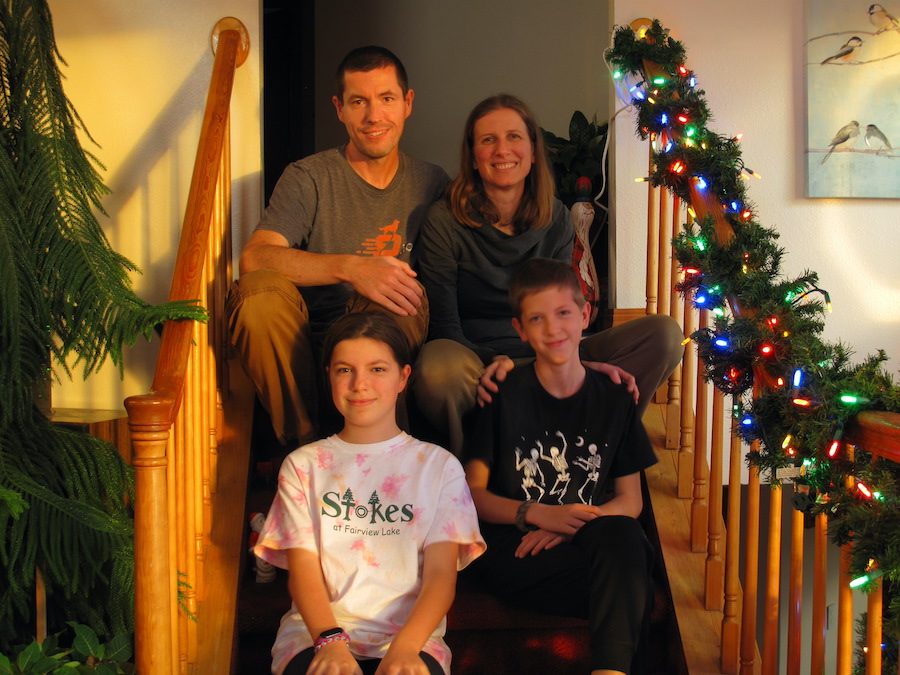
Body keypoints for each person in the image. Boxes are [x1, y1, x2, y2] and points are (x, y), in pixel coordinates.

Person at [411, 94, 683, 458]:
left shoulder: (556, 218)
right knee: (437, 368)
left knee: (664, 335)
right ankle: (479, 472)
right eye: (488, 139)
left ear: (534, 152)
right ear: (473, 156)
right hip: (472, 361)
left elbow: (560, 312)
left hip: (549, 350)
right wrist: (498, 362)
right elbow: (446, 328)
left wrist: (572, 363)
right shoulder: (443, 221)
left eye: (514, 137)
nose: (502, 150)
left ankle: (594, 456)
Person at [226, 46, 449, 448]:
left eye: (386, 99)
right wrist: (352, 268)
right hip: (308, 342)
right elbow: (255, 258)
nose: (374, 116)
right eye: (359, 102)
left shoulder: (432, 182)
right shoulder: (308, 177)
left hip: (388, 326)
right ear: (339, 109)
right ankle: (305, 449)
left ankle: (382, 455)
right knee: (256, 294)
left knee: (394, 292)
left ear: (407, 103)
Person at [254, 312, 486, 675]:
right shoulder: (303, 466)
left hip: (412, 638)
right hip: (316, 634)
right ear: (329, 375)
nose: (359, 384)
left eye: (377, 369)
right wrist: (330, 641)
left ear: (403, 377)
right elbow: (303, 570)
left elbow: (441, 575)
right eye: (344, 370)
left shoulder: (439, 467)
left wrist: (406, 647)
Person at [464, 258, 658, 675]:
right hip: (515, 548)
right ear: (520, 330)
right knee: (633, 584)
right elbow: (472, 494)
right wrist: (537, 513)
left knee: (625, 541)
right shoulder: (502, 394)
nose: (553, 329)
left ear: (585, 315)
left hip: (585, 542)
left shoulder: (614, 396)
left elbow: (630, 501)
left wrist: (569, 524)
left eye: (564, 313)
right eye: (537, 318)